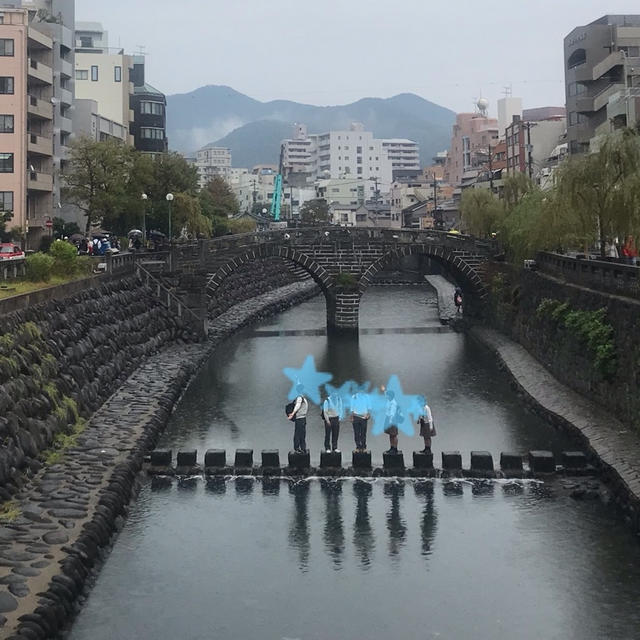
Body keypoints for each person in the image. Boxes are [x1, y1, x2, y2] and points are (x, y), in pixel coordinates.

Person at [287, 384, 309, 453]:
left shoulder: (302, 397)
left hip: (303, 418)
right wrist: (293, 413)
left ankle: (302, 448)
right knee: (298, 433)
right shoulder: (300, 398)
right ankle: (297, 448)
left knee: (302, 434)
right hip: (300, 418)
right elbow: (297, 406)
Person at [350, 387, 371, 452]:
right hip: (356, 416)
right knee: (356, 433)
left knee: (363, 433)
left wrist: (368, 415)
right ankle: (358, 446)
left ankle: (364, 447)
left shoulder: (367, 397)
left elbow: (369, 407)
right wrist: (352, 417)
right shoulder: (354, 397)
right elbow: (352, 408)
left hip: (364, 417)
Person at [383, 388, 400, 455]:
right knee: (390, 434)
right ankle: (392, 447)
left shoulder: (393, 403)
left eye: (387, 395)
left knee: (394, 434)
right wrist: (384, 390)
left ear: (390, 396)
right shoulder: (389, 400)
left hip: (392, 419)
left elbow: (392, 413)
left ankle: (395, 448)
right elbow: (385, 394)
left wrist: (390, 421)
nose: (386, 396)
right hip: (388, 418)